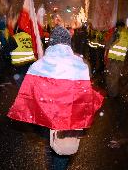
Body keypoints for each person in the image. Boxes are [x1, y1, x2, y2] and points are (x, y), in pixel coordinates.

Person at [8, 26, 104, 169]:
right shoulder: (80, 65)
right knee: (62, 152)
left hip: (45, 119)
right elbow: (84, 95)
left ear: (51, 43)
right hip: (68, 121)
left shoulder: (38, 65)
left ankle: (52, 157)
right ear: (68, 43)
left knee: (51, 144)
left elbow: (28, 93)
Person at [104, 20, 128, 97]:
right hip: (121, 59)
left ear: (118, 26)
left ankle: (111, 94)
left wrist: (107, 42)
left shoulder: (117, 33)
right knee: (116, 78)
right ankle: (114, 93)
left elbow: (108, 44)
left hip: (113, 59)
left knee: (111, 77)